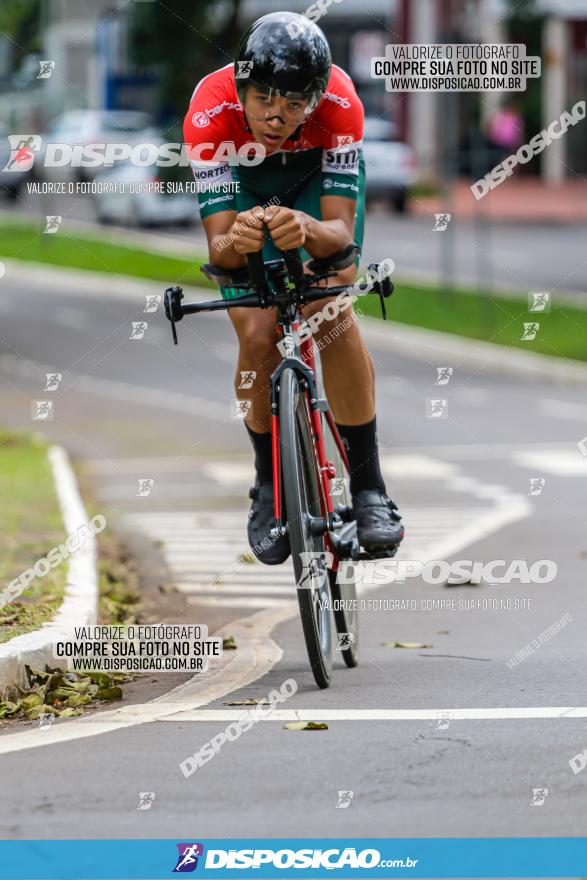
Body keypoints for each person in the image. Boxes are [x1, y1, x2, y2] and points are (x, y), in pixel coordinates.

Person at [183, 11, 404, 565]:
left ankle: (370, 489)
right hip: (243, 193)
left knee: (332, 310)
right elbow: (219, 251)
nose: (276, 116)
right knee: (258, 333)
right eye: (264, 98)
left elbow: (339, 241)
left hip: (311, 199)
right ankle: (266, 483)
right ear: (241, 87)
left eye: (293, 102)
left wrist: (305, 230)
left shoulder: (340, 107)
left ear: (316, 98)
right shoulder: (209, 110)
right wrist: (240, 234)